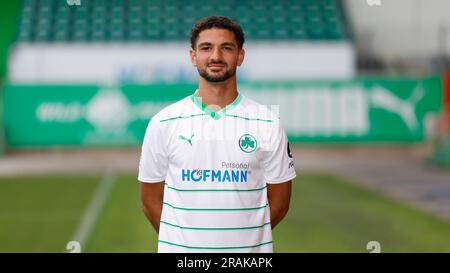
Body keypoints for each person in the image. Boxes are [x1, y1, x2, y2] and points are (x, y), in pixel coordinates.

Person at [138, 16, 296, 253]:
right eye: (206, 48)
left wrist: (241, 242)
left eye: (226, 48)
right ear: (193, 57)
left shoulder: (267, 122)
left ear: (240, 56)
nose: (216, 57)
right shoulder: (163, 122)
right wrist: (188, 244)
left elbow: (281, 203)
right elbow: (150, 201)